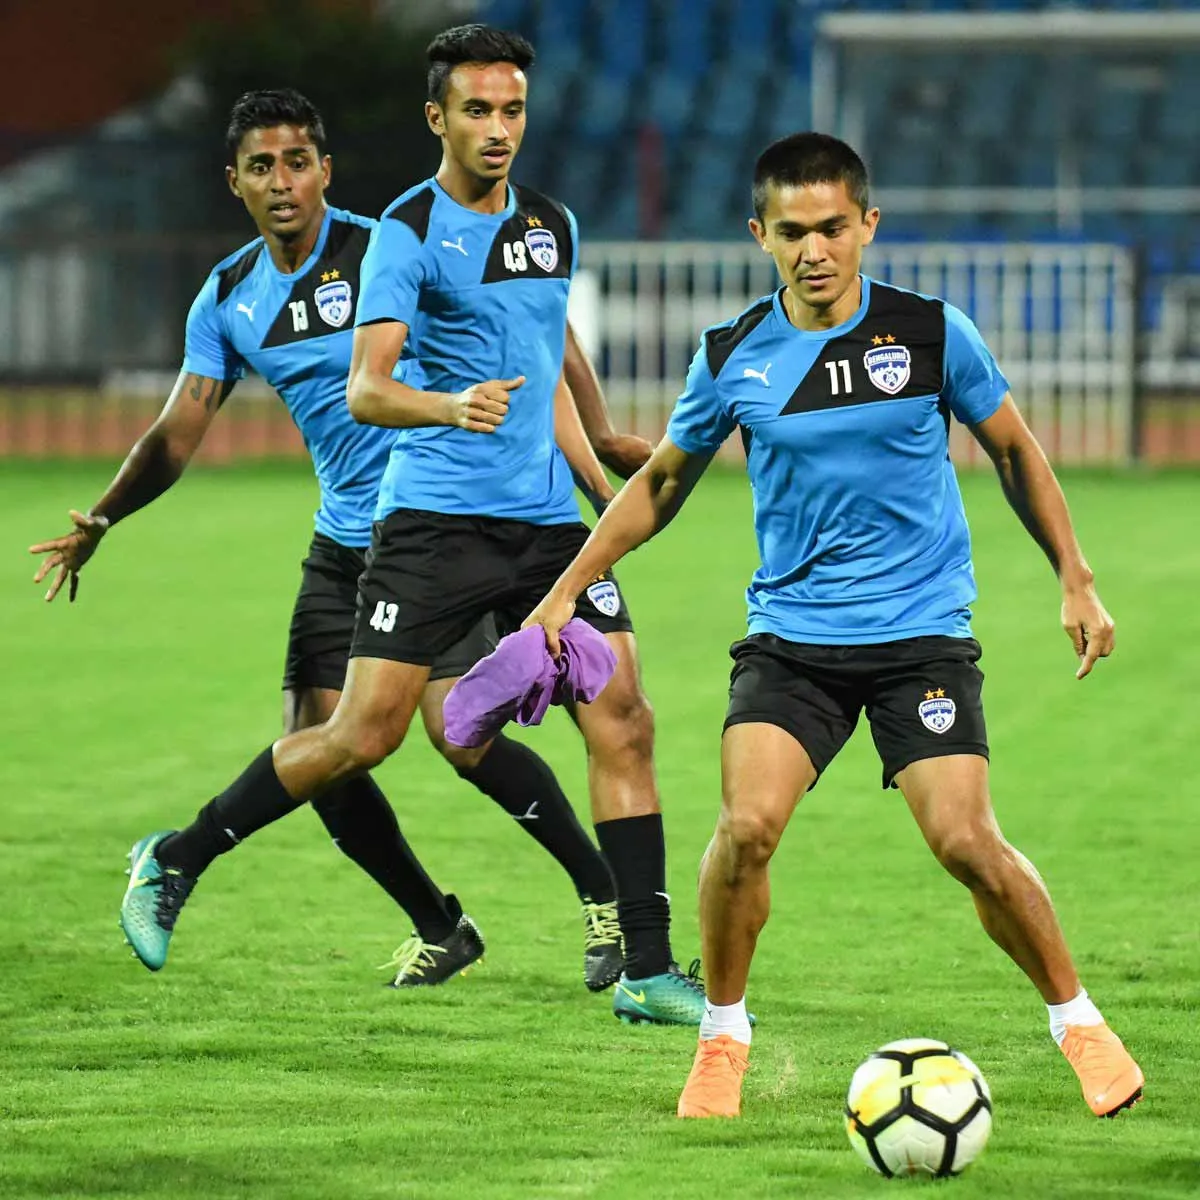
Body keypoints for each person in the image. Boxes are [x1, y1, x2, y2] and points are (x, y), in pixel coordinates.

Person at [92, 28, 707, 1026]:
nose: (498, 128)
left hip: (543, 524)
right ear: (440, 118)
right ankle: (183, 856)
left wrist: (595, 467)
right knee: (357, 740)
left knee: (618, 718)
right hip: (419, 526)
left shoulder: (550, 224)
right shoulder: (392, 241)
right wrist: (451, 406)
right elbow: (363, 389)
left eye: (511, 110)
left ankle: (640, 955)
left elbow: (542, 344)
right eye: (478, 110)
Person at [523, 132, 1145, 1113]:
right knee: (745, 829)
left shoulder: (932, 333)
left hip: (919, 642)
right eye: (793, 232)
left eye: (833, 228)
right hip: (793, 646)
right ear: (759, 234)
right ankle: (723, 1034)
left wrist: (1075, 573)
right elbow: (664, 484)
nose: (815, 250)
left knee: (966, 842)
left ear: (867, 226)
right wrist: (568, 585)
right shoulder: (733, 355)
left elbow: (1017, 453)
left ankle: (1078, 1019)